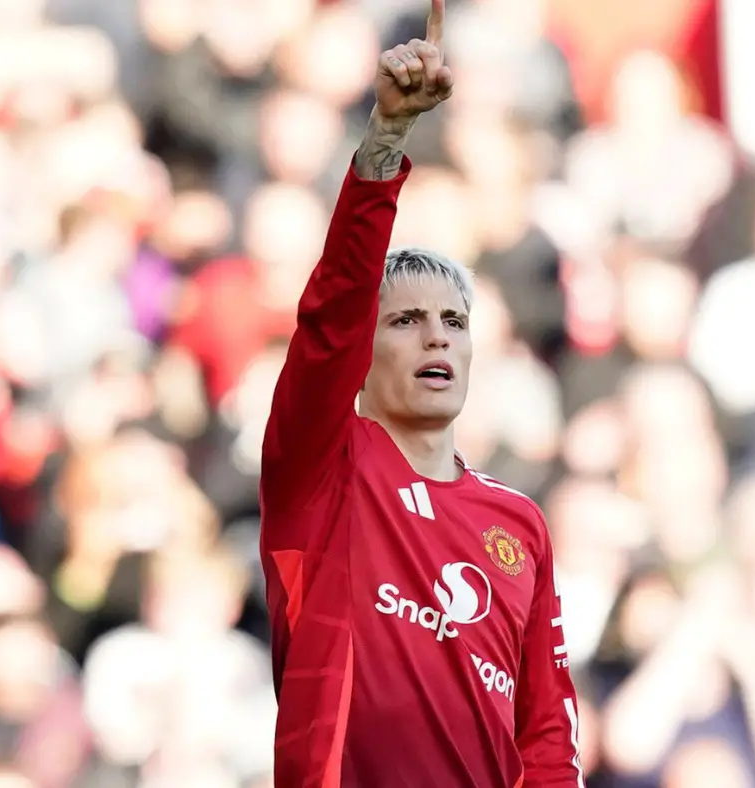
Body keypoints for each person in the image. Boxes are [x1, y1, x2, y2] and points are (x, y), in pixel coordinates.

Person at [258, 2, 584, 786]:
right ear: (362, 358)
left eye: (454, 321)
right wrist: (384, 142)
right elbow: (332, 317)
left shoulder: (520, 524)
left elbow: (547, 736)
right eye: (404, 319)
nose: (437, 336)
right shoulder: (323, 471)